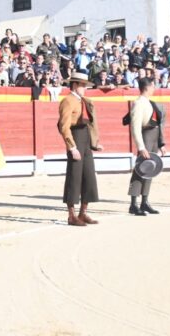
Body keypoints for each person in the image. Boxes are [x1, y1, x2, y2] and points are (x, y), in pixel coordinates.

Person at [57, 72, 103, 226]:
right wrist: (72, 147)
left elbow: (90, 124)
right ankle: (71, 215)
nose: (85, 88)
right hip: (75, 138)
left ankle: (83, 213)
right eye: (83, 85)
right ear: (75, 85)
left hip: (85, 139)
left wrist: (94, 143)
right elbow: (64, 126)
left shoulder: (84, 100)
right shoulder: (67, 101)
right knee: (74, 177)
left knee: (89, 176)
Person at [127, 77, 166, 216]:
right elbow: (135, 127)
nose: (154, 88)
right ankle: (133, 204)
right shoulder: (138, 103)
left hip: (153, 136)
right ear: (147, 87)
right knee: (140, 170)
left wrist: (161, 143)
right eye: (153, 86)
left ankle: (144, 201)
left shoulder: (149, 102)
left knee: (150, 169)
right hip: (146, 136)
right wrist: (141, 147)